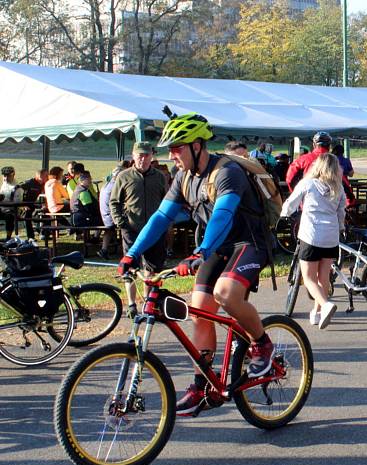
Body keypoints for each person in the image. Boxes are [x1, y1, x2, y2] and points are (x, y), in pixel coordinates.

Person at [117, 113, 274, 417]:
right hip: (216, 247)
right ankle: (203, 387)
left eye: (177, 148)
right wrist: (131, 253)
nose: (171, 155)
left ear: (198, 145)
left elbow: (223, 215)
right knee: (198, 309)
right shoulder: (183, 177)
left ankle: (263, 345)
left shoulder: (228, 172)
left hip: (249, 243)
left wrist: (200, 251)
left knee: (226, 294)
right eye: (170, 149)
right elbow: (161, 217)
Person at [280, 153, 346, 329]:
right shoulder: (338, 188)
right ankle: (316, 313)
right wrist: (341, 228)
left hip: (311, 234)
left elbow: (290, 204)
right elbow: (341, 212)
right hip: (331, 237)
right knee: (323, 277)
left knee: (308, 278)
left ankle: (325, 305)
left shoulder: (307, 184)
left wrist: (282, 216)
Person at [110, 141, 169, 316]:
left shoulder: (159, 177)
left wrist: (164, 222)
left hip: (154, 230)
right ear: (133, 156)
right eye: (139, 155)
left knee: (151, 269)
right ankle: (131, 305)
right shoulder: (124, 176)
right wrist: (120, 222)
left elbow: (166, 200)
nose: (143, 159)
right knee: (130, 268)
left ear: (152, 157)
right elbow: (114, 202)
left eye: (146, 155)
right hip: (131, 228)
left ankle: (147, 304)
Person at [99, 165, 124, 259]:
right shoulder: (115, 186)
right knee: (129, 225)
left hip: (105, 214)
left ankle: (104, 249)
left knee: (109, 230)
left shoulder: (107, 184)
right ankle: (125, 249)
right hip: (110, 215)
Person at [18, 168, 47, 239]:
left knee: (46, 211)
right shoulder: (29, 183)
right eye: (45, 175)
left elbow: (46, 194)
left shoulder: (43, 184)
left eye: (47, 175)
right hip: (24, 204)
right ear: (38, 176)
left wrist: (44, 204)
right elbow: (18, 190)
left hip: (32, 204)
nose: (46, 177)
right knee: (27, 216)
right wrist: (23, 205)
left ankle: (44, 233)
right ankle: (30, 237)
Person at [0, 166, 22, 240]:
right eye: (4, 175)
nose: (5, 178)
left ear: (13, 175)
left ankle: (8, 238)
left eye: (8, 176)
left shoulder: (17, 187)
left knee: (9, 216)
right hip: (2, 208)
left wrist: (4, 201)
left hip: (12, 210)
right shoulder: (4, 183)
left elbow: (16, 204)